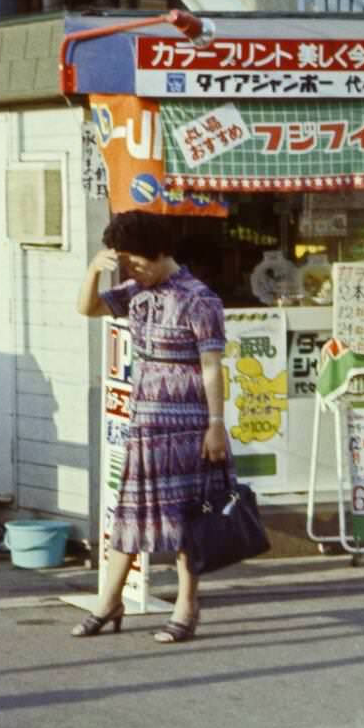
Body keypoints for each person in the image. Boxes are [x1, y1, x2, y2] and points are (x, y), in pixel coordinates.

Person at [75, 210, 230, 644]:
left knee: (188, 517)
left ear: (162, 254)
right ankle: (109, 599)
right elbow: (87, 308)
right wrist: (93, 270)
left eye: (138, 262)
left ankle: (187, 606)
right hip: (146, 418)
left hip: (188, 421)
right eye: (126, 263)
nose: (132, 270)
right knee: (132, 507)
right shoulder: (135, 291)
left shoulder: (199, 299)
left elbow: (212, 367)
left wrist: (216, 425)